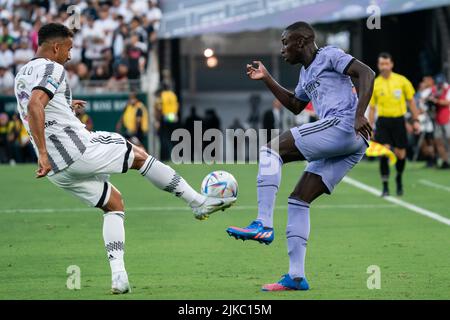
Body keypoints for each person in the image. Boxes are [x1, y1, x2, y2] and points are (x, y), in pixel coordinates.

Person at [13, 23, 235, 295]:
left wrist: (66, 110)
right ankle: (198, 202)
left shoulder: (21, 74)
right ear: (56, 47)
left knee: (114, 204)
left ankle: (119, 277)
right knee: (139, 155)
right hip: (76, 150)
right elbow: (36, 104)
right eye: (68, 49)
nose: (70, 56)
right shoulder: (53, 68)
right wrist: (43, 153)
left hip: (57, 171)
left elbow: (35, 106)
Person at [226, 21, 375, 291]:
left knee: (271, 149)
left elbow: (366, 73)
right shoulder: (306, 74)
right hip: (352, 143)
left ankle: (263, 222)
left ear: (302, 42)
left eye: (285, 43)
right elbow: (296, 105)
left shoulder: (329, 55)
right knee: (299, 199)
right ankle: (296, 277)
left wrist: (359, 113)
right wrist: (267, 78)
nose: (283, 49)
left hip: (344, 125)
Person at [368, 52, 421, 196]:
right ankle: (385, 186)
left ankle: (398, 178)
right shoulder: (375, 83)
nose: (384, 67)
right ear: (378, 65)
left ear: (391, 64)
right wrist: (370, 127)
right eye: (381, 64)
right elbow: (372, 108)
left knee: (401, 154)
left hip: (399, 121)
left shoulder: (402, 81)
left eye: (386, 63)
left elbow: (411, 101)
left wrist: (416, 120)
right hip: (383, 122)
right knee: (384, 152)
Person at [428, 74, 450, 169]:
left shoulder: (448, 89)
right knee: (438, 141)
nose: (439, 85)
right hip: (437, 118)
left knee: (449, 140)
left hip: (447, 117)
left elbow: (447, 102)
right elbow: (427, 99)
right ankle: (445, 161)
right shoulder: (434, 89)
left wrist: (436, 101)